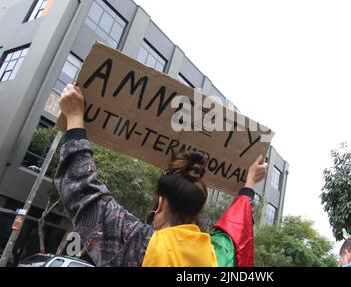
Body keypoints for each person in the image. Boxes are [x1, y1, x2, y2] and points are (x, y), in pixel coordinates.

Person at [55, 84, 268, 267]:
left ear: (160, 204)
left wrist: (74, 116)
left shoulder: (136, 245)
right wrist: (249, 183)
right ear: (195, 211)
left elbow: (84, 192)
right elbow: (235, 231)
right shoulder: (217, 257)